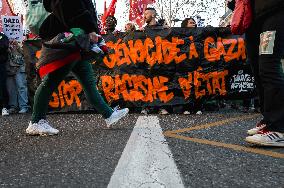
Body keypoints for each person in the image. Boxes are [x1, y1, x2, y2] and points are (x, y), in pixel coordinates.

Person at [25, 0, 129, 136]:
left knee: (88, 81)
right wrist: (89, 28)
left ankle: (108, 114)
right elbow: (69, 7)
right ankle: (36, 121)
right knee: (51, 81)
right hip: (68, 39)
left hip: (75, 40)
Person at [228, 0, 284, 146]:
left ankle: (279, 128)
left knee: (268, 66)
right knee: (258, 69)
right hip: (252, 18)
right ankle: (269, 119)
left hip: (274, 10)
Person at [6, 40, 30, 114]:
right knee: (11, 88)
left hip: (19, 67)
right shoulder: (5, 40)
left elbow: (25, 53)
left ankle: (24, 106)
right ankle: (13, 107)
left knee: (21, 87)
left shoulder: (22, 40)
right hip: (9, 68)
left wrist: (18, 45)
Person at [0, 32, 10, 116]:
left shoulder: (3, 36)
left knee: (2, 86)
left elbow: (4, 46)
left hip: (1, 64)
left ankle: (5, 107)